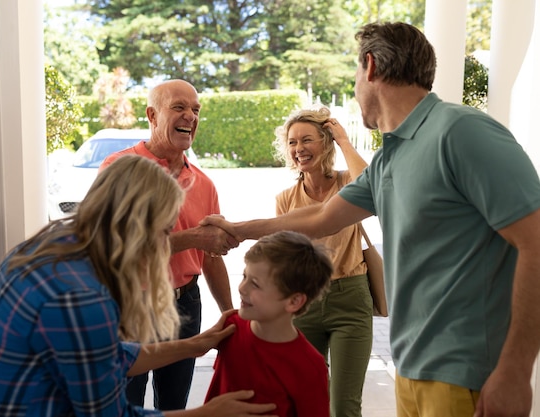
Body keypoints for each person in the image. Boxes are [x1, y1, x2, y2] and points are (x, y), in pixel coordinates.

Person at [202, 22, 540, 417]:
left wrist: (516, 370)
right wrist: (238, 230)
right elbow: (324, 217)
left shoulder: (461, 131)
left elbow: (535, 242)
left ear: (372, 66)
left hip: (464, 372)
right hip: (412, 368)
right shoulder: (390, 156)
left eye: (355, 74)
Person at [0, 155, 277, 417]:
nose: (166, 244)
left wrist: (196, 344)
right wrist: (208, 414)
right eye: (163, 231)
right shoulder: (81, 298)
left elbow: (108, 355)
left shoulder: (55, 243)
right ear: (133, 226)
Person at [99, 79, 238, 410]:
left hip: (186, 303)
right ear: (151, 114)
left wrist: (230, 312)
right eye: (179, 107)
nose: (190, 115)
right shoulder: (119, 169)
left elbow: (211, 257)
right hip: (132, 301)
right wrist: (193, 238)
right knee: (124, 403)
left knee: (174, 405)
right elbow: (113, 245)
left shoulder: (204, 183)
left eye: (195, 109)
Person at [272, 105, 371, 417]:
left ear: (325, 143)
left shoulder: (347, 185)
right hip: (306, 303)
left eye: (307, 140)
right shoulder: (286, 199)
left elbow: (374, 183)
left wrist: (343, 140)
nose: (299, 149)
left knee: (344, 406)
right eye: (292, 142)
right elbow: (284, 256)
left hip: (351, 299)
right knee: (307, 401)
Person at [205, 231, 332, 417]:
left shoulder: (310, 367)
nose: (241, 288)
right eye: (244, 276)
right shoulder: (230, 327)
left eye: (255, 284)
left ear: (294, 301)